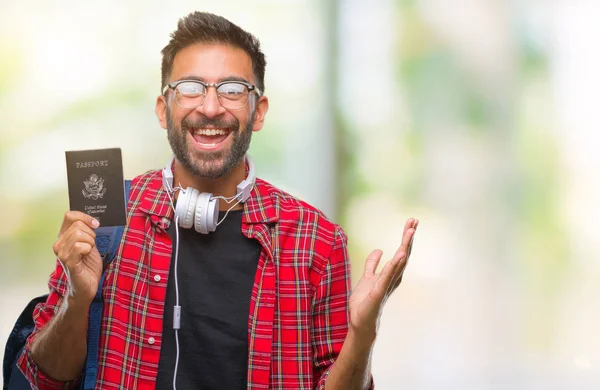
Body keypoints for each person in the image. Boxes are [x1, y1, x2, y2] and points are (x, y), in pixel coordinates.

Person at [17, 11, 418, 390]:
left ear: (258, 111)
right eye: (190, 88)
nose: (210, 108)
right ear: (163, 109)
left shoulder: (317, 241)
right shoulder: (104, 218)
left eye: (232, 90)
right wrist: (76, 297)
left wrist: (363, 334)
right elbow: (45, 380)